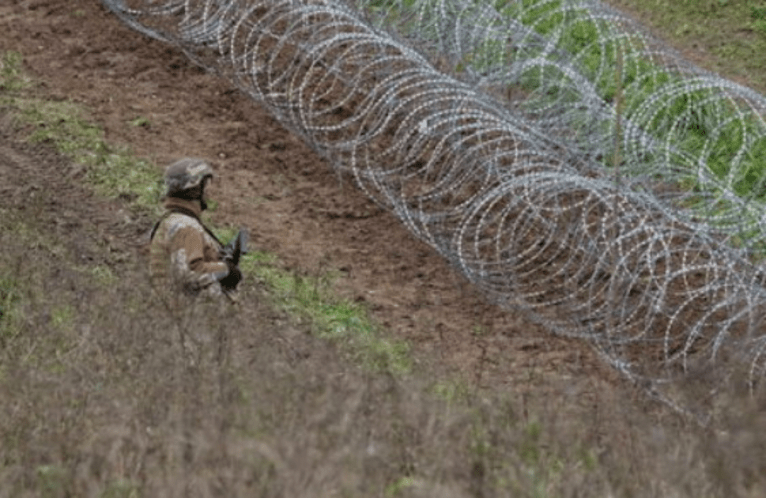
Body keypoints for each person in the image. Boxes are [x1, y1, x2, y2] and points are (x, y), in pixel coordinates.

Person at [149, 158, 243, 302]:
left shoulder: (173, 221)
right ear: (194, 189)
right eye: (205, 185)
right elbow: (188, 273)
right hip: (185, 317)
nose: (208, 192)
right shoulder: (186, 227)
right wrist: (226, 270)